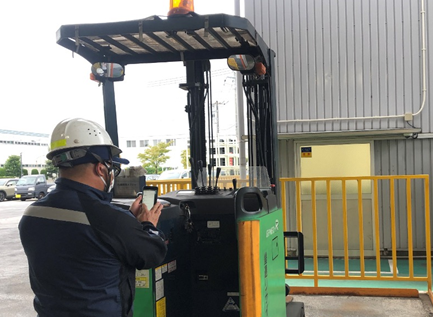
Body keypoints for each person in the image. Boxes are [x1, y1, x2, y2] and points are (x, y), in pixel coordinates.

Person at [19, 118, 167, 317]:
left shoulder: (32, 214)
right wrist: (147, 224)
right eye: (111, 167)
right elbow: (151, 254)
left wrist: (128, 221)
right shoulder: (111, 220)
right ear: (100, 168)